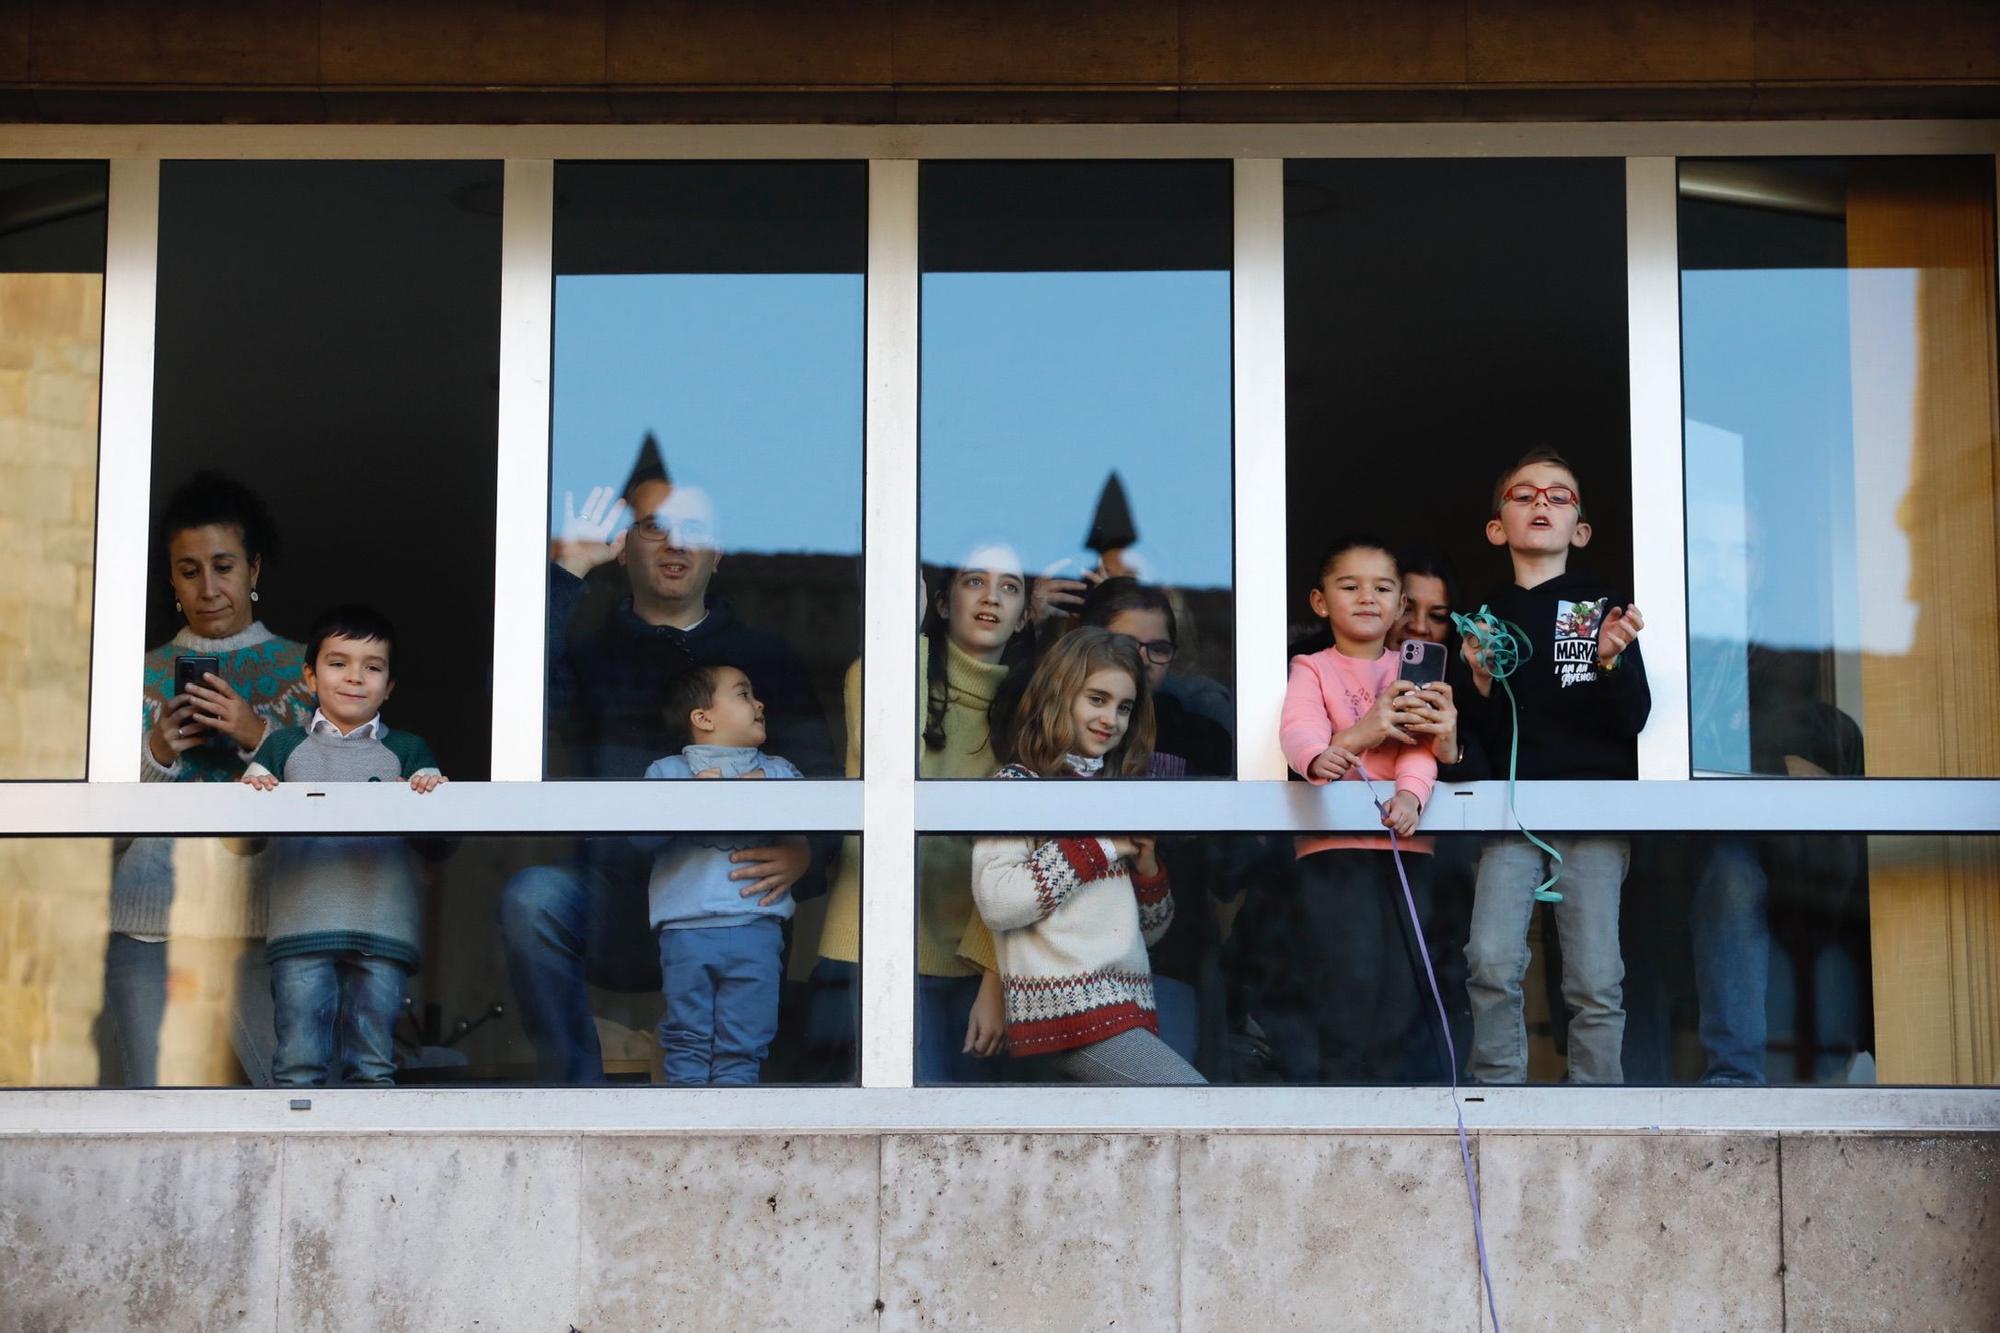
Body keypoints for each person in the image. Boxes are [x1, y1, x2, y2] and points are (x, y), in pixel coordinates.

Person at [504, 475, 836, 1084]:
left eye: (695, 532)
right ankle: (574, 1095)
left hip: (735, 895)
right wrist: (568, 571)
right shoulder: (591, 649)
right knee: (533, 900)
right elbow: (523, 704)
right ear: (623, 545)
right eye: (655, 527)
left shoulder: (765, 658)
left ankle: (742, 1106)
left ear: (720, 552)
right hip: (621, 895)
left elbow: (823, 777)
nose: (676, 546)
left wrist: (808, 851)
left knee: (739, 1043)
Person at [107, 470, 315, 1086]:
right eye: (189, 569)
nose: (209, 587)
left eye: (223, 566)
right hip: (148, 924)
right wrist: (155, 753)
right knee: (157, 1124)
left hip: (264, 928)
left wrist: (259, 737)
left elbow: (345, 796)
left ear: (254, 570)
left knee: (290, 1106)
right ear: (171, 581)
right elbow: (93, 830)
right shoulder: (133, 676)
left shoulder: (311, 670)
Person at [1457, 446, 1650, 1085]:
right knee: (1489, 958)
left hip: (1592, 813)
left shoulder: (1601, 608)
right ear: (1497, 527)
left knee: (1595, 976)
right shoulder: (1485, 619)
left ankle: (1597, 1101)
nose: (1542, 502)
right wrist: (1480, 682)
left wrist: (1610, 663)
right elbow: (1475, 746)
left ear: (1581, 529)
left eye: (1558, 495)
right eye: (1524, 494)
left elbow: (1631, 721)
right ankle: (1498, 1089)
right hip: (1510, 815)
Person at [807, 544, 1036, 1083]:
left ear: (1026, 615)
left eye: (1009, 587)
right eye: (973, 581)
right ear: (940, 600)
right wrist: (903, 637)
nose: (990, 597)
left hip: (974, 965)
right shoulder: (880, 672)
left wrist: (994, 977)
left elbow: (1019, 854)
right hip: (870, 950)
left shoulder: (1030, 713)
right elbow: (892, 767)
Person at [969, 629, 1204, 1085]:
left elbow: (1148, 933)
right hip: (1067, 1016)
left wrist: (1148, 870)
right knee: (1194, 1105)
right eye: (1096, 699)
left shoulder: (1113, 791)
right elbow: (998, 900)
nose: (1110, 719)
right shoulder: (1016, 787)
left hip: (1124, 1007)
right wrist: (1104, 845)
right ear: (1059, 695)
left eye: (1124, 707)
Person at [241, 605, 446, 1087]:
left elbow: (439, 844)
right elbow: (241, 842)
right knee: (298, 1063)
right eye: (338, 663)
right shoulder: (281, 747)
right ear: (310, 676)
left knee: (373, 1065)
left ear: (390, 686)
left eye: (372, 667)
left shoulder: (411, 751)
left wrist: (429, 796)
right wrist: (250, 800)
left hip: (383, 927)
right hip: (300, 924)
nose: (355, 677)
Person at [1274, 536, 1447, 1082]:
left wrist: (1412, 794)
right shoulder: (1313, 667)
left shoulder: (1412, 669)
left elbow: (1421, 745)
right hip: (1334, 850)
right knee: (1349, 976)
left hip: (1406, 847)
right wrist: (1328, 752)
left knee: (1403, 981)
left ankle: (1388, 1095)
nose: (1368, 597)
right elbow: (1298, 727)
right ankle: (1344, 1091)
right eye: (1350, 586)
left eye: (1383, 588)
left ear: (1400, 606)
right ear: (1321, 602)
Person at [640, 666, 802, 1086]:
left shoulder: (779, 770)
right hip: (686, 930)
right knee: (687, 1037)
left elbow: (813, 814)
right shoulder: (667, 773)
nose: (759, 703)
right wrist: (689, 801)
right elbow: (636, 839)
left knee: (745, 1040)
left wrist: (748, 783)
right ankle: (687, 1124)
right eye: (744, 694)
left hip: (756, 928)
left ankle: (733, 1122)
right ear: (703, 718)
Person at [1078, 577, 1231, 777]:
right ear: (1086, 644)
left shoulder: (1201, 740)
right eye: (1126, 644)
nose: (1143, 661)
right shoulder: (1047, 728)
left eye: (1159, 649)